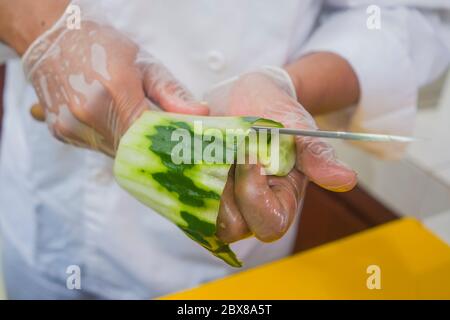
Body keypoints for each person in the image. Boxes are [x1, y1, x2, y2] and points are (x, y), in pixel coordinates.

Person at [0, 0, 448, 299]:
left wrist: (287, 84)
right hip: (46, 219)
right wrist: (48, 35)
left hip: (217, 274)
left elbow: (407, 15)